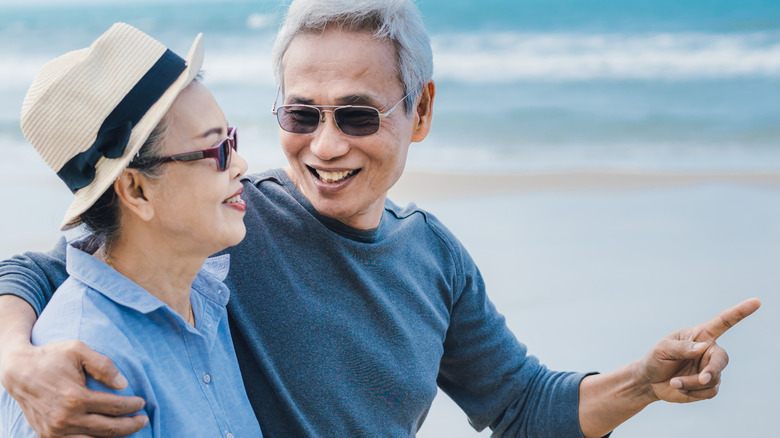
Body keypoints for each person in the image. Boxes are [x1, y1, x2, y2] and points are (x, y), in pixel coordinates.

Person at [0, 2, 760, 437]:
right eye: (301, 114)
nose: (326, 145)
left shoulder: (433, 257)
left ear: (420, 111)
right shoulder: (222, 225)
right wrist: (16, 362)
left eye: (358, 115)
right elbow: (59, 270)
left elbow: (522, 404)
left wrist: (644, 382)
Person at [0, 23, 261, 437]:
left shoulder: (202, 295)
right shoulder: (86, 377)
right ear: (137, 191)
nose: (241, 165)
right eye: (218, 150)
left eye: (232, 138)